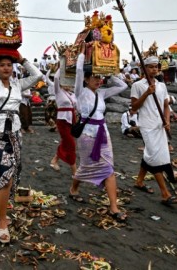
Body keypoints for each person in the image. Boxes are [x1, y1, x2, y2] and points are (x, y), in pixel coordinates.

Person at [0, 39, 42, 244]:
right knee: (5, 175)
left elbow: (38, 76)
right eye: (2, 65)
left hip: (14, 133)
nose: (6, 68)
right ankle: (2, 222)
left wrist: (21, 58)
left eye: (9, 64)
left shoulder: (18, 84)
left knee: (12, 174)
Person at [70, 48, 128, 222]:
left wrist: (109, 74)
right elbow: (79, 71)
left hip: (103, 133)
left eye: (99, 77)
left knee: (109, 168)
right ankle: (74, 189)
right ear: (86, 79)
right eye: (94, 76)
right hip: (87, 135)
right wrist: (82, 54)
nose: (98, 80)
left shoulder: (102, 93)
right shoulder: (79, 92)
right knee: (86, 166)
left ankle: (114, 207)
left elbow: (123, 86)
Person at [131, 56, 177, 205]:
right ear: (144, 68)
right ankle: (165, 194)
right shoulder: (138, 85)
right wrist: (146, 93)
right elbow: (134, 107)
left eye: (156, 67)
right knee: (155, 158)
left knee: (154, 155)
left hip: (160, 126)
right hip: (147, 125)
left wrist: (167, 121)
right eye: (151, 67)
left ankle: (139, 181)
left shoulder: (161, 86)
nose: (154, 69)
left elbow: (166, 105)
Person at [50, 65, 77, 174]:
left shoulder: (72, 94)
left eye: (69, 81)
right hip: (62, 120)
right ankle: (74, 170)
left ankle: (55, 160)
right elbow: (56, 78)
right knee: (71, 144)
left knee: (66, 142)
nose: (68, 84)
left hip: (72, 119)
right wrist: (62, 65)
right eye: (65, 81)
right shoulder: (58, 91)